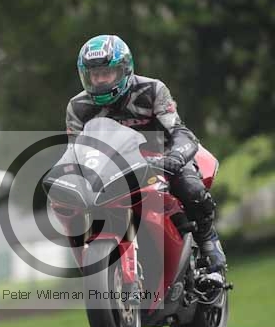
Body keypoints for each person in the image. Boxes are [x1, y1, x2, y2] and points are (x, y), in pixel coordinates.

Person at [65, 34, 226, 272]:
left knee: (191, 189)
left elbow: (178, 130)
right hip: (112, 170)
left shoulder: (152, 89)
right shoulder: (77, 107)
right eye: (93, 74)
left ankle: (208, 240)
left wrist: (176, 158)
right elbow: (75, 151)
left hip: (162, 159)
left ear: (124, 69)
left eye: (105, 73)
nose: (99, 80)